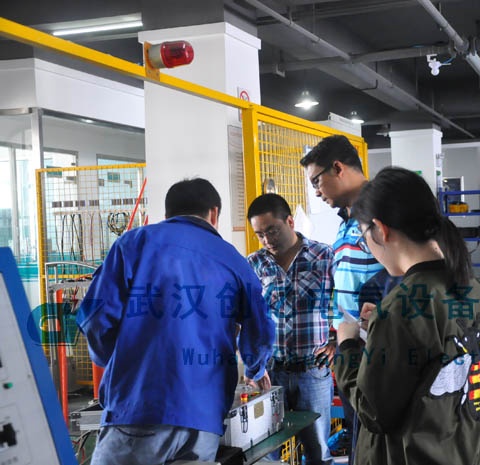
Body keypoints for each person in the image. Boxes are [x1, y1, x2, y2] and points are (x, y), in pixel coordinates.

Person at [77, 178, 275, 465]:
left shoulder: (133, 244)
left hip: (139, 408)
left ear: (168, 212)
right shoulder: (234, 260)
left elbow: (95, 316)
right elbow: (261, 331)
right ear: (214, 213)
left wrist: (116, 361)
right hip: (203, 420)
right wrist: (255, 369)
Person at [335, 167, 480, 465]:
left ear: (380, 230)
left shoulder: (400, 307)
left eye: (364, 237)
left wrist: (347, 347)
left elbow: (373, 412)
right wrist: (382, 329)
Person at [300, 135, 384, 462]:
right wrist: (339, 333)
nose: (316, 192)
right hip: (353, 348)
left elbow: (408, 275)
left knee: (377, 438)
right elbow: (346, 282)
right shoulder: (346, 221)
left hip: (381, 347)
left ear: (338, 168)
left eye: (317, 181)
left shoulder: (380, 212)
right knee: (359, 434)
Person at [246, 193, 335, 465]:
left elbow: (345, 304)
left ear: (290, 221)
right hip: (271, 374)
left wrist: (336, 342)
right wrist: (254, 366)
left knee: (318, 451)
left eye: (272, 230)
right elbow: (247, 318)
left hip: (313, 371)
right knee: (265, 452)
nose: (267, 240)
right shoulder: (254, 264)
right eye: (260, 234)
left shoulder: (324, 256)